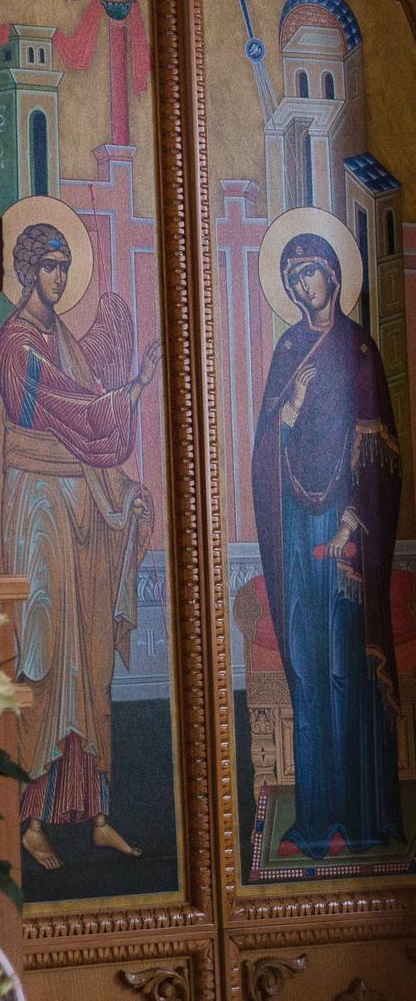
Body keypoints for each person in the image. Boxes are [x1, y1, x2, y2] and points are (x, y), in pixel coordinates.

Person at [0, 219, 157, 870]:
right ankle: (27, 816)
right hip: (36, 506)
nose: (59, 278)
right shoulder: (17, 344)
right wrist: (135, 390)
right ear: (28, 270)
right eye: (50, 267)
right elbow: (72, 413)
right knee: (42, 649)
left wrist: (120, 496)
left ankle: (94, 814)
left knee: (88, 659)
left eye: (65, 267)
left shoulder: (58, 335)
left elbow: (86, 424)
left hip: (80, 503)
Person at [251, 229, 403, 857]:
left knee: (346, 672)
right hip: (295, 534)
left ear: (335, 277)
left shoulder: (359, 350)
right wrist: (287, 413)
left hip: (344, 537)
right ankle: (314, 822)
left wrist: (352, 521)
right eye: (291, 277)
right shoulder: (289, 350)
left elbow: (381, 457)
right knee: (308, 674)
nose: (300, 285)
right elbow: (264, 452)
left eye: (309, 272)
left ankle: (362, 817)